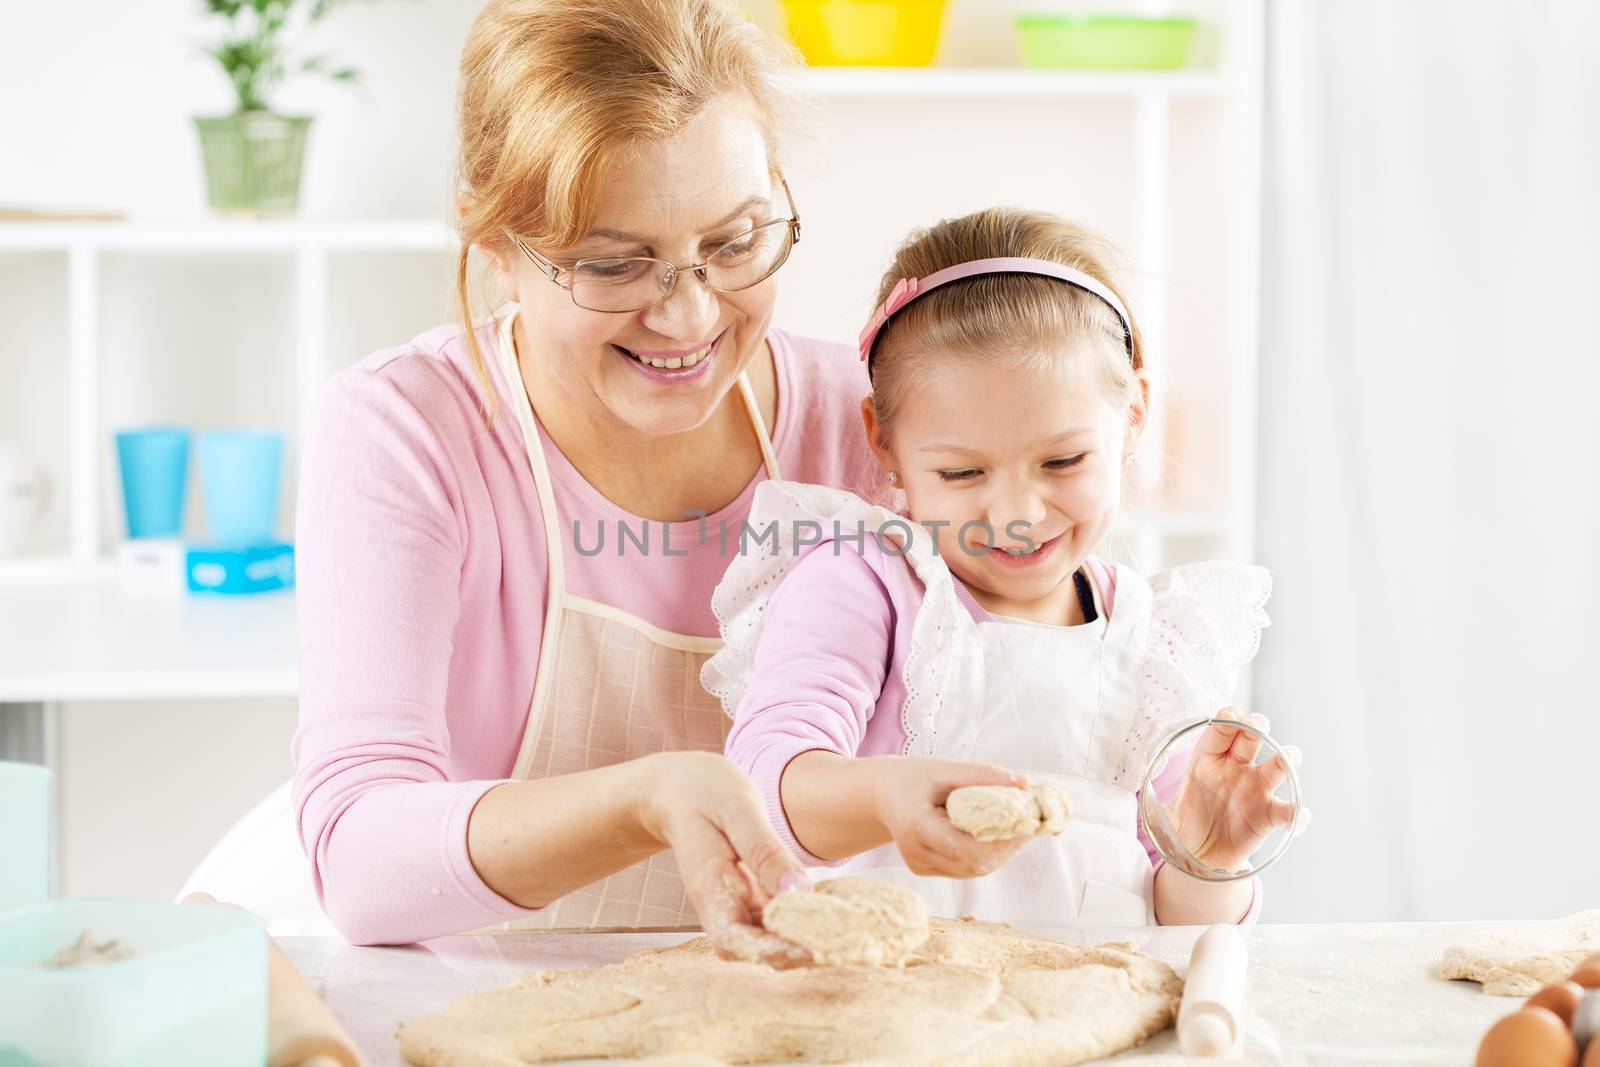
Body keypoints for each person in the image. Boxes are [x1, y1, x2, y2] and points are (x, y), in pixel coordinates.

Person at [291, 0, 881, 958]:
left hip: (807, 993)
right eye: (614, 264)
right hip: (490, 1002)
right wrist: (649, 798)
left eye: (733, 244)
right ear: (495, 253)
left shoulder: (870, 425)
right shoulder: (410, 431)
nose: (688, 317)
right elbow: (357, 858)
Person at [706, 207, 1301, 927]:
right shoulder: (868, 581)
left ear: (1135, 414)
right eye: (961, 472)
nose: (1016, 509)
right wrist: (882, 797)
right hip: (899, 1016)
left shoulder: (1160, 644)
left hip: (1093, 1022)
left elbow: (1182, 927)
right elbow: (767, 779)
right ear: (884, 442)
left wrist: (1213, 852)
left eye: (1063, 460)